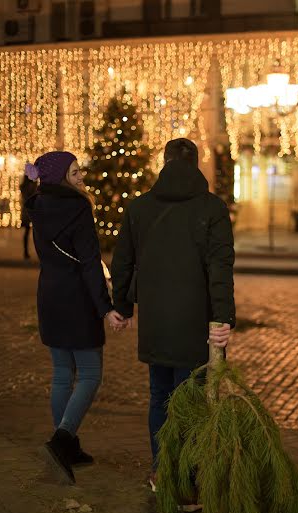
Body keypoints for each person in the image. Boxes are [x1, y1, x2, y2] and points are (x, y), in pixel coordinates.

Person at [111, 138, 235, 494]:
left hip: (156, 322)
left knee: (159, 395)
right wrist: (223, 317)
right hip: (195, 323)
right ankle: (190, 477)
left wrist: (122, 306)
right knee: (191, 399)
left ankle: (162, 469)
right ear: (196, 164)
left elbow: (123, 263)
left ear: (163, 163)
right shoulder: (212, 208)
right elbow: (220, 266)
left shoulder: (139, 208)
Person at [25, 151, 125, 485]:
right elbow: (89, 262)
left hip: (49, 296)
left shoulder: (37, 205)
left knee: (62, 373)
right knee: (91, 373)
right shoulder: (78, 207)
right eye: (75, 172)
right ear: (60, 177)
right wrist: (105, 307)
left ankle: (69, 447)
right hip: (77, 300)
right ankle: (62, 440)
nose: (81, 176)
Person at [19, 174, 37, 259]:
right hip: (32, 210)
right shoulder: (32, 185)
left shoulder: (23, 186)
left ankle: (25, 252)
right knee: (35, 233)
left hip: (26, 210)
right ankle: (28, 252)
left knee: (27, 232)